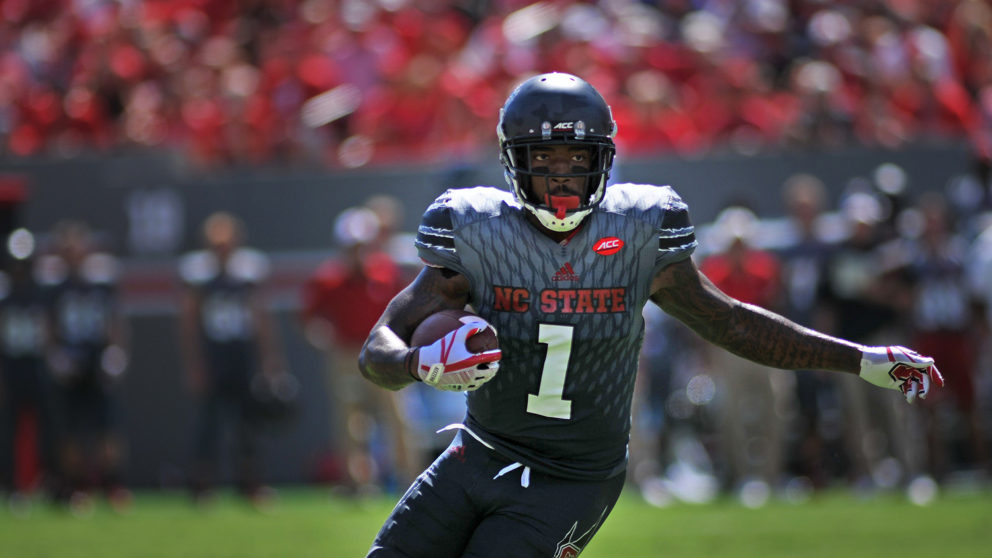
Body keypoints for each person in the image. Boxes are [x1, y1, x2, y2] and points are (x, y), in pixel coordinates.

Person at [358, 73, 944, 558]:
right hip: (479, 451)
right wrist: (417, 363)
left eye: (576, 156)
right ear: (514, 163)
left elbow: (731, 323)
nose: (562, 173)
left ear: (605, 159)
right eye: (545, 157)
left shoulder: (640, 229)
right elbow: (375, 351)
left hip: (573, 476)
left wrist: (860, 359)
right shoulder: (477, 232)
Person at [301, 206, 416, 493]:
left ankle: (409, 479)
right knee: (351, 423)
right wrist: (324, 339)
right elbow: (310, 318)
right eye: (352, 247)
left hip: (385, 351)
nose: (358, 253)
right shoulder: (327, 279)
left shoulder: (387, 273)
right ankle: (357, 483)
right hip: (346, 355)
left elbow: (405, 310)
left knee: (398, 417)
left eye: (362, 246)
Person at [178, 212, 285, 505]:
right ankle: (202, 486)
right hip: (214, 355)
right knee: (207, 423)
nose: (222, 249)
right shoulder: (198, 274)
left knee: (248, 424)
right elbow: (190, 322)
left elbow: (261, 318)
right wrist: (195, 363)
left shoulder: (249, 271)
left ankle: (250, 484)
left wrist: (269, 359)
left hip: (243, 354)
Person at [43, 220, 131, 512]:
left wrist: (115, 351)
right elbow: (49, 324)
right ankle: (76, 487)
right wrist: (55, 355)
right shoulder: (54, 285)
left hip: (96, 357)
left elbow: (114, 319)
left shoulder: (101, 280)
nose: (73, 254)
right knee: (70, 431)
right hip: (70, 361)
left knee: (107, 428)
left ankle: (112, 485)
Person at [0, 229, 57, 506]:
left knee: (48, 429)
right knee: (9, 430)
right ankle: (13, 486)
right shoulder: (4, 293)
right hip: (11, 368)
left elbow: (50, 330)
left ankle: (49, 482)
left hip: (38, 366)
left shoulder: (43, 292)